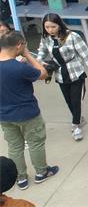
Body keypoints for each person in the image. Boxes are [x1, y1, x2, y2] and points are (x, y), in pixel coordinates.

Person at [0, 32, 58, 191]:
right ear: (19, 45)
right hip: (27, 113)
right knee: (35, 143)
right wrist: (28, 55)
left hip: (4, 115)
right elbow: (43, 73)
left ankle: (21, 177)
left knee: (14, 146)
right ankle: (41, 172)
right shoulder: (19, 68)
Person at [37, 13, 88, 141]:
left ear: (59, 24)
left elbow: (86, 55)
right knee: (68, 100)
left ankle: (76, 125)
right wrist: (40, 61)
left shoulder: (73, 36)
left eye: (53, 26)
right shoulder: (46, 38)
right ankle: (78, 118)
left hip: (75, 72)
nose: (50, 30)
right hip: (60, 74)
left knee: (76, 100)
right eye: (47, 27)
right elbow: (42, 51)